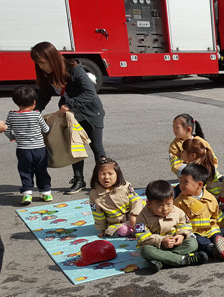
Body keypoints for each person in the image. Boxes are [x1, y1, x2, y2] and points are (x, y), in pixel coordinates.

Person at [31, 41, 106, 194]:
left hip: (91, 113)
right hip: (72, 115)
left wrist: (69, 104)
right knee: (75, 146)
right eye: (38, 63)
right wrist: (35, 111)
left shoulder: (75, 69)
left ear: (52, 59)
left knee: (97, 147)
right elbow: (44, 94)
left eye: (42, 63)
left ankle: (105, 180)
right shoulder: (47, 74)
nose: (41, 66)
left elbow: (90, 94)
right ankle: (79, 179)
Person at [174, 164, 224, 261]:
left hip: (212, 229)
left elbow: (217, 215)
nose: (181, 185)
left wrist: (223, 228)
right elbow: (179, 222)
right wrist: (184, 234)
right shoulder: (178, 202)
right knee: (204, 244)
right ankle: (215, 251)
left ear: (200, 184)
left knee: (220, 237)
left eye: (185, 182)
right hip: (195, 233)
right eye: (180, 181)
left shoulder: (211, 198)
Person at [135, 180, 208, 271]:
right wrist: (162, 241)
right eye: (159, 205)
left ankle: (162, 261)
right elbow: (142, 237)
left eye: (169, 204)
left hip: (175, 245)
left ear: (172, 199)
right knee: (146, 251)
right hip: (156, 247)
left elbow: (185, 225)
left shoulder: (178, 211)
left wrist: (181, 235)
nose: (165, 209)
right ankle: (182, 260)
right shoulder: (142, 217)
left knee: (192, 244)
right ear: (149, 204)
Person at [3, 85, 52, 205]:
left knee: (25, 171)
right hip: (39, 149)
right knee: (41, 170)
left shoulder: (12, 115)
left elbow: (6, 129)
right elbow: (46, 129)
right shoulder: (36, 114)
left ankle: (27, 194)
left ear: (16, 102)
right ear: (34, 102)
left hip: (23, 150)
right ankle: (46, 192)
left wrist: (12, 137)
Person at [89, 157, 143, 238]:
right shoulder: (94, 194)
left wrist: (134, 215)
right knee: (122, 230)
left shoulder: (126, 186)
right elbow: (98, 214)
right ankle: (135, 230)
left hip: (134, 217)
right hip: (116, 223)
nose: (106, 177)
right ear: (96, 175)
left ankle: (141, 228)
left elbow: (136, 201)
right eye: (102, 174)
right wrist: (102, 229)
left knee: (148, 210)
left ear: (117, 174)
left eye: (110, 174)